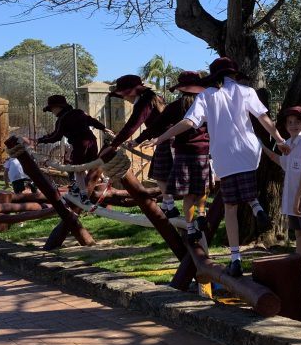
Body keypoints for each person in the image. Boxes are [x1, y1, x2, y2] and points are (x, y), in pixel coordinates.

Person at [141, 57, 291, 279]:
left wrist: (160, 137)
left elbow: (189, 123)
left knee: (230, 208)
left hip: (225, 155)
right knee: (248, 186)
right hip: (249, 151)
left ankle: (235, 259)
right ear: (234, 75)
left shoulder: (207, 96)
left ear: (214, 77)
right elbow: (263, 117)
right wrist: (279, 140)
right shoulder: (246, 91)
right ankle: (257, 207)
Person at [262, 106, 301, 289]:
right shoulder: (289, 144)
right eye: (290, 122)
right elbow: (279, 160)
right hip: (293, 200)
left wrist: (297, 198)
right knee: (298, 234)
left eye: (297, 122)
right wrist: (260, 146)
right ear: (286, 126)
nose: (293, 125)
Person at [101, 74, 178, 216]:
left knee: (161, 175)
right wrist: (138, 140)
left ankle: (170, 206)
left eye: (123, 95)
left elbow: (132, 125)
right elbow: (154, 126)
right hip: (166, 138)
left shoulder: (144, 102)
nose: (124, 99)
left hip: (167, 139)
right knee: (160, 175)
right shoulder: (153, 98)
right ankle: (168, 206)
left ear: (130, 92)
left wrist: (115, 144)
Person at [36, 94, 113, 208]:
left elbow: (56, 136)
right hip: (92, 141)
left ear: (58, 107)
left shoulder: (62, 119)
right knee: (91, 165)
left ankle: (83, 195)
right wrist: (104, 128)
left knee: (78, 170)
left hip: (79, 144)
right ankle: (80, 186)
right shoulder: (79, 112)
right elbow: (92, 121)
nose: (52, 112)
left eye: (52, 109)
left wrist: (40, 140)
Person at [161, 71, 211, 244]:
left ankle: (190, 230)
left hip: (182, 153)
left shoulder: (174, 107)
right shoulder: (207, 104)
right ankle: (202, 213)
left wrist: (142, 138)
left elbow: (157, 125)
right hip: (202, 151)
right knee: (202, 187)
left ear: (181, 89)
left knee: (188, 195)